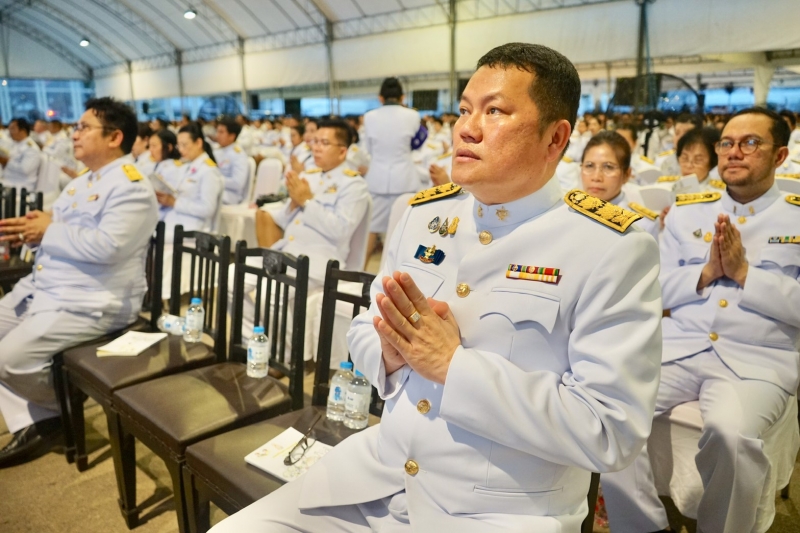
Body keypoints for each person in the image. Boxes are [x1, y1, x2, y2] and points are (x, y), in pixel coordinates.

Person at [211, 42, 662, 533]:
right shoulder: (424, 215)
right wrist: (388, 348)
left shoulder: (608, 246)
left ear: (555, 139)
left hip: (499, 510)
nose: (466, 127)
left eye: (495, 111)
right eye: (466, 109)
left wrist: (454, 367)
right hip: (378, 477)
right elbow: (364, 327)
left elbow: (610, 430)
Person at [602, 107, 800, 533]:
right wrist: (706, 272)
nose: (734, 152)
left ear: (780, 155)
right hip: (681, 345)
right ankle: (640, 527)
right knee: (613, 409)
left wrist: (746, 274)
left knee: (732, 437)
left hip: (757, 358)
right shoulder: (689, 212)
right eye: (726, 143)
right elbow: (650, 289)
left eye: (750, 143)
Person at [0, 97, 158, 467]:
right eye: (77, 126)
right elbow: (66, 226)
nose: (75, 134)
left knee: (7, 359)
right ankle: (37, 418)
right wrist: (38, 226)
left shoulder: (132, 186)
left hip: (94, 300)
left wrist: (50, 229)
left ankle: (60, 406)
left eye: (85, 127)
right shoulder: (85, 180)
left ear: (115, 137)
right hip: (50, 288)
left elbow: (109, 246)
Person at [362, 77, 428, 265]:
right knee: (409, 229)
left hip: (377, 178)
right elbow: (414, 147)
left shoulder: (369, 117)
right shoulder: (413, 116)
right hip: (405, 178)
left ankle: (360, 272)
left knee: (372, 229)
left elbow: (369, 149)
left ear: (380, 97)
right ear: (402, 97)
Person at [580, 131, 660, 240]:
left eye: (608, 167)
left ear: (627, 174)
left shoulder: (642, 225)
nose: (596, 177)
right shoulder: (567, 212)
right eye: (589, 166)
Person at [157, 122, 224, 244]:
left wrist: (175, 202)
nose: (181, 150)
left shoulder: (209, 171)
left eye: (184, 145)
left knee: (151, 239)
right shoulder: (188, 166)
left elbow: (207, 209)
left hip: (193, 228)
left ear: (198, 143)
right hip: (177, 220)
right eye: (179, 146)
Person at [213, 117, 250, 205]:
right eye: (217, 131)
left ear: (232, 136)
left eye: (221, 132)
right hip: (216, 189)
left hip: (230, 195)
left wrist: (215, 180)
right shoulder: (216, 150)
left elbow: (237, 183)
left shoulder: (238, 154)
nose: (217, 135)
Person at [147, 129, 183, 221]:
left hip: (167, 215)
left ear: (169, 147)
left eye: (154, 146)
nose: (150, 150)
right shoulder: (157, 164)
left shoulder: (174, 168)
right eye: (149, 146)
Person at [0, 118, 42, 191]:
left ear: (23, 131)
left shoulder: (31, 149)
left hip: (20, 185)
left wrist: (7, 161)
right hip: (9, 180)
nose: (10, 132)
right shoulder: (16, 144)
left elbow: (25, 170)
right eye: (9, 129)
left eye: (12, 129)